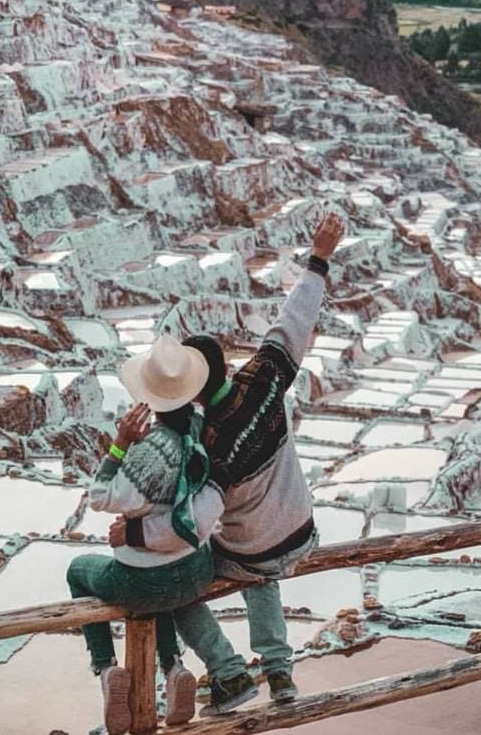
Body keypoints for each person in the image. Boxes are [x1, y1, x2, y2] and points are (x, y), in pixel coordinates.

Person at [110, 212, 345, 716]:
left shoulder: (207, 448)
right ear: (227, 366)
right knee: (262, 554)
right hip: (301, 533)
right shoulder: (265, 379)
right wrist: (319, 258)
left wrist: (132, 537)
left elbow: (190, 525)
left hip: (251, 552)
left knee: (172, 580)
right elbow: (294, 321)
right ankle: (279, 668)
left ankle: (226, 671)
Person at [66, 335, 216, 734]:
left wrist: (120, 445)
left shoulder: (153, 449)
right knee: (158, 584)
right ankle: (173, 666)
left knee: (78, 570)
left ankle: (106, 668)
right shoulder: (201, 429)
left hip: (145, 581)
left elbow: (102, 497)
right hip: (196, 571)